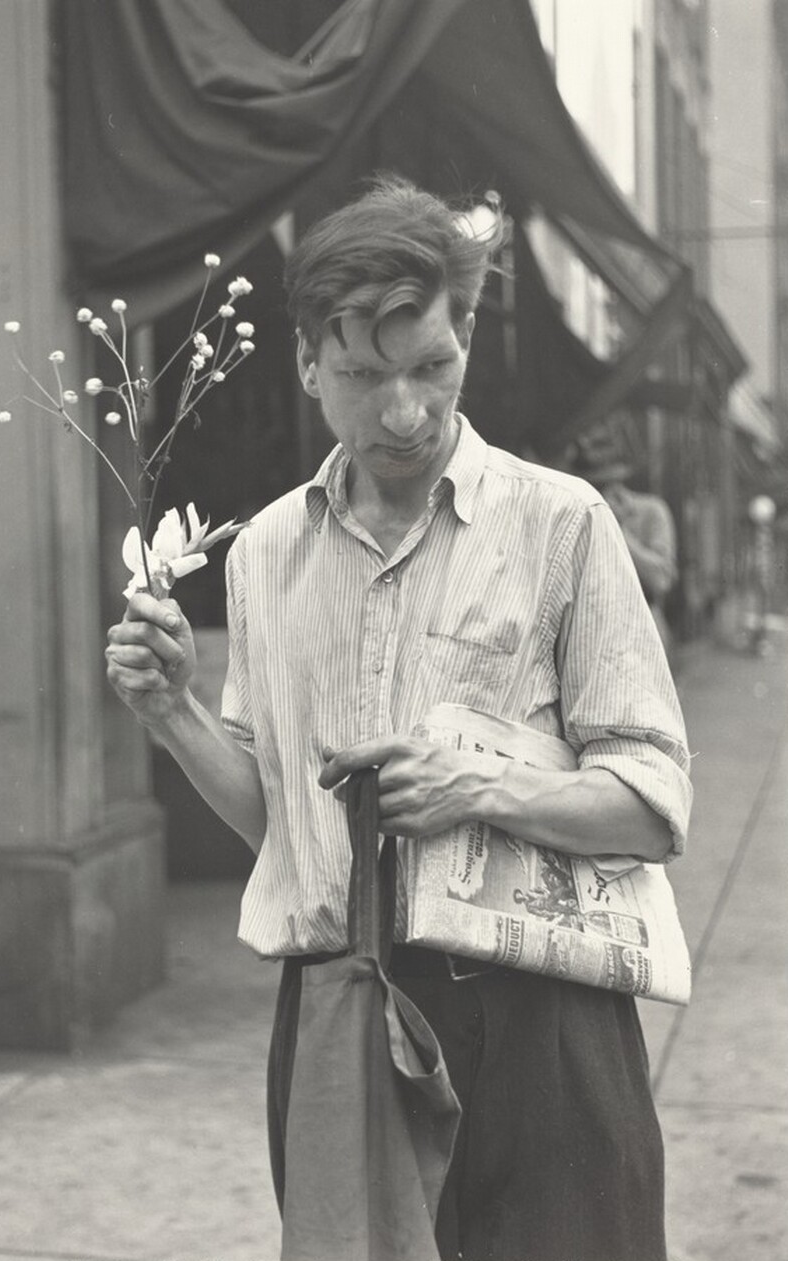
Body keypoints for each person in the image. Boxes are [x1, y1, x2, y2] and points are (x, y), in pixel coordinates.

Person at [106, 176, 692, 1261]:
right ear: (306, 365)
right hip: (340, 1011)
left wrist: (480, 785)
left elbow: (652, 807)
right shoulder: (266, 552)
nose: (404, 411)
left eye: (431, 366)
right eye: (364, 376)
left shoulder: (562, 524)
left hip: (543, 1019)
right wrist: (174, 710)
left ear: (464, 336)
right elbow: (287, 830)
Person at [574, 428, 679, 656]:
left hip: (643, 631)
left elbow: (660, 580)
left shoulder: (651, 511)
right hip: (592, 634)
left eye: (603, 486)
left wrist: (617, 529)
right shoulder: (576, 516)